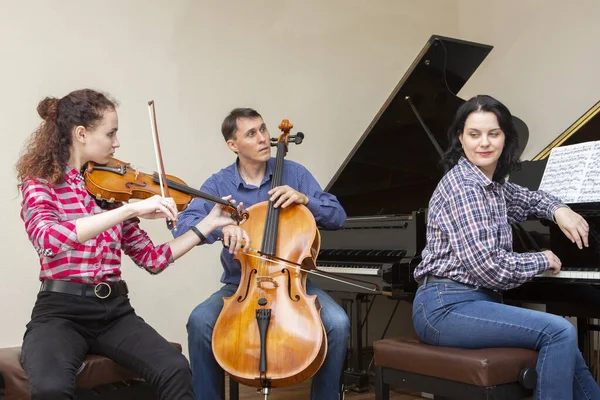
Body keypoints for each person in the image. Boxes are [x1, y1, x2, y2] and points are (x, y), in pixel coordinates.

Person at [16, 89, 241, 400]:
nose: (117, 143)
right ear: (81, 134)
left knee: (175, 368)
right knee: (51, 389)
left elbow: (154, 259)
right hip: (59, 313)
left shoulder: (111, 191)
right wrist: (128, 210)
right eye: (111, 133)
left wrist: (207, 225)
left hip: (113, 311)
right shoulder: (41, 185)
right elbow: (49, 239)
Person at [412, 94, 600, 400]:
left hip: (475, 302)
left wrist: (559, 209)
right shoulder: (464, 188)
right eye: (474, 135)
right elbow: (491, 268)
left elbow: (531, 199)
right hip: (444, 307)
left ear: (505, 139)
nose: (483, 143)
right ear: (460, 138)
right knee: (559, 331)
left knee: (564, 343)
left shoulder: (493, 186)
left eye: (493, 134)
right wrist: (542, 258)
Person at [172, 108, 350, 399]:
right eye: (251, 133)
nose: (264, 139)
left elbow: (338, 217)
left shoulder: (294, 173)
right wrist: (220, 227)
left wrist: (306, 200)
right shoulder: (220, 184)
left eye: (264, 130)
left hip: (294, 284)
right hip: (240, 285)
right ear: (233, 145)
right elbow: (183, 228)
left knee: (338, 323)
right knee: (200, 320)